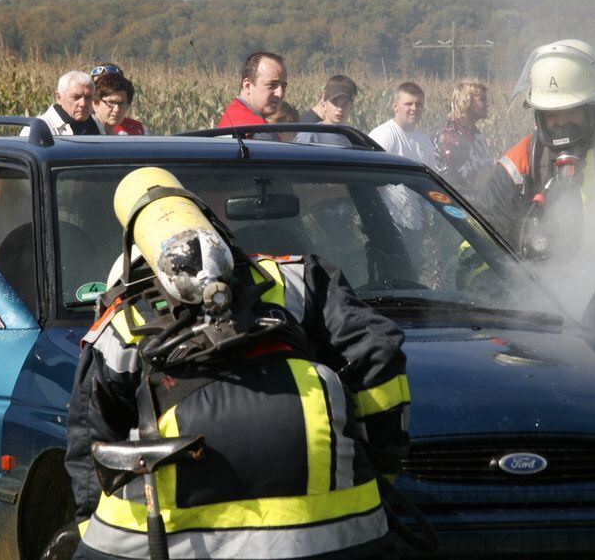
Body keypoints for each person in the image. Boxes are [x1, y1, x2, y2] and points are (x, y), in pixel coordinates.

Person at [64, 168, 410, 559]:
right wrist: (380, 464)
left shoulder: (120, 323)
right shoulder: (297, 279)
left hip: (180, 535)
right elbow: (377, 354)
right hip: (337, 530)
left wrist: (87, 524)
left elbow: (90, 443)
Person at [480, 40, 595, 266]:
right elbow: (480, 245)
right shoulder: (520, 163)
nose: (560, 123)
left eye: (570, 112)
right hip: (544, 296)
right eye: (551, 114)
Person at [434, 79, 491, 203]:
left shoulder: (475, 133)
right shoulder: (449, 134)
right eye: (482, 99)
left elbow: (486, 169)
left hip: (476, 205)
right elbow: (469, 179)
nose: (488, 104)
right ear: (467, 102)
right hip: (455, 206)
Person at [368, 82, 435, 167]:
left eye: (418, 104)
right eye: (408, 104)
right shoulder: (384, 136)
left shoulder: (425, 141)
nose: (414, 108)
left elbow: (431, 177)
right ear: (395, 107)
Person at [217, 52, 287, 129]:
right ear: (248, 86)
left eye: (283, 86)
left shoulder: (231, 115)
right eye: (271, 85)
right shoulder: (258, 132)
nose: (279, 93)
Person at [22, 71, 102, 136]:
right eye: (76, 97)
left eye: (88, 98)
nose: (83, 103)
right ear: (58, 98)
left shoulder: (98, 126)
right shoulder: (37, 130)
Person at [293, 75, 358, 146]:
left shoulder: (354, 139)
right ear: (324, 102)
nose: (340, 109)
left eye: (345, 104)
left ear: (351, 106)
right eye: (335, 102)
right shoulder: (309, 135)